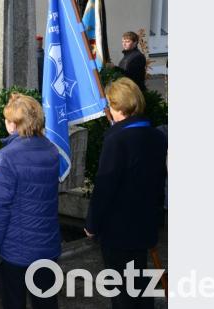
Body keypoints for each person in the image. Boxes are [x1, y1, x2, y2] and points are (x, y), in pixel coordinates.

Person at [85, 77, 167, 309]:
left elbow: (105, 187)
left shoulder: (117, 140)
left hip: (118, 229)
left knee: (122, 293)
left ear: (118, 107)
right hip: (145, 223)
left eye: (111, 105)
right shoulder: (156, 136)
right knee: (139, 285)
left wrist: (92, 224)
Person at [0, 93, 61, 309]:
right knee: (46, 303)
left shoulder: (5, 158)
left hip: (15, 253)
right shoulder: (51, 150)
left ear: (13, 124)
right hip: (47, 247)